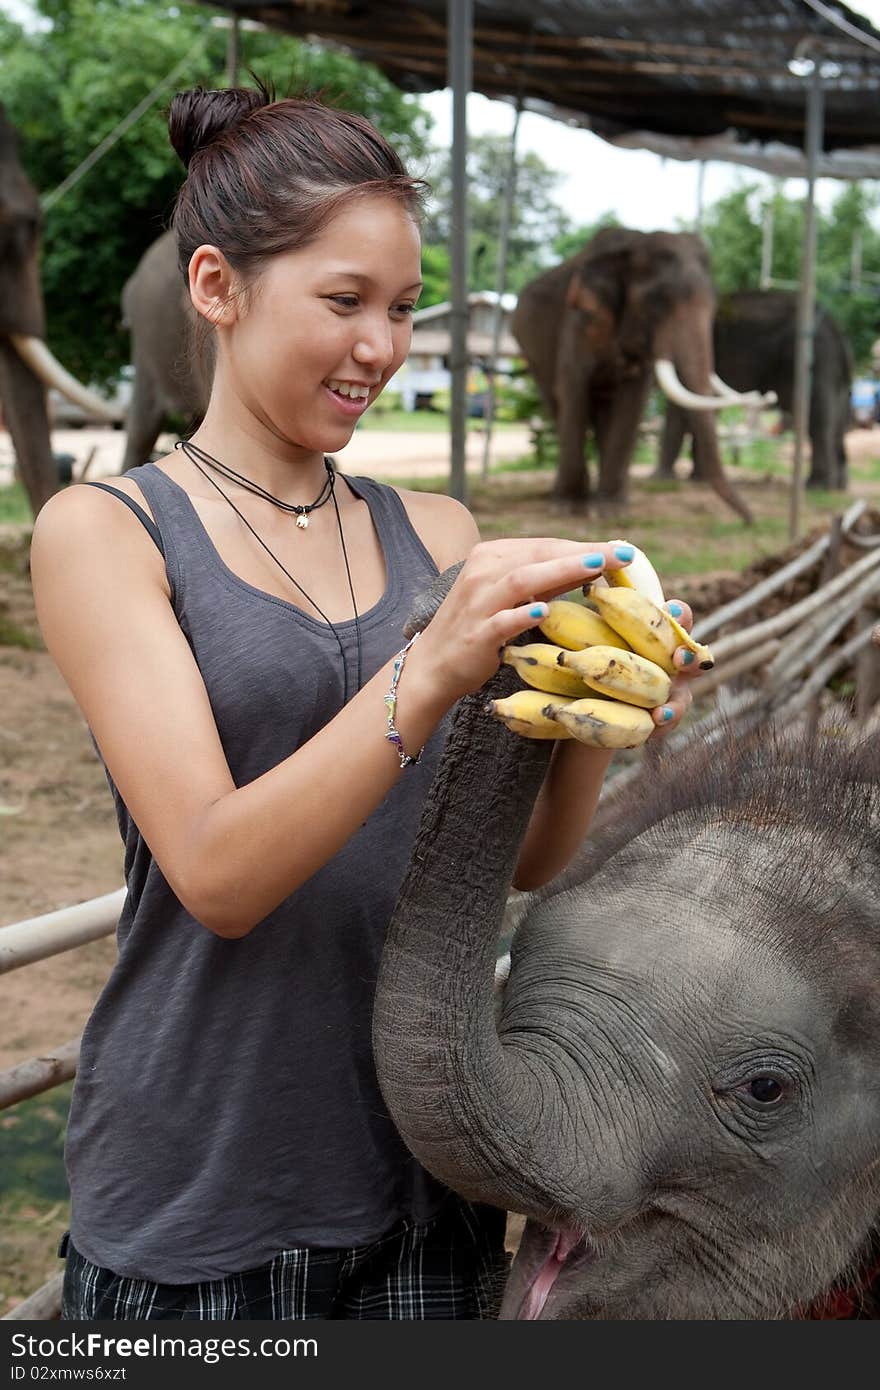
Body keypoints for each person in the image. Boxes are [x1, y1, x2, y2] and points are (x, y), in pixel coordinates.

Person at [30, 84, 698, 1322]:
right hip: (203, 1180)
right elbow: (217, 878)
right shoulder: (108, 533)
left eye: (399, 308)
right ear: (218, 287)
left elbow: (530, 858)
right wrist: (430, 664)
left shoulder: (436, 531)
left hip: (426, 1163)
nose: (382, 348)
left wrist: (605, 709)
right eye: (342, 302)